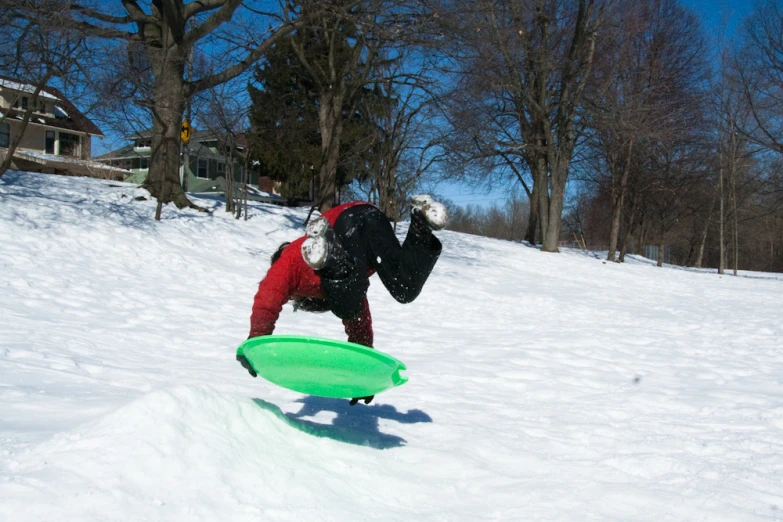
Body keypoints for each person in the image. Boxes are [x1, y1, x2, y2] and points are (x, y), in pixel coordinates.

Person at [240, 195, 448, 405]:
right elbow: (359, 323)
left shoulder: (290, 258)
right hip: (372, 217)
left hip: (344, 223)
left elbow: (268, 296)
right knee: (404, 288)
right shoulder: (346, 287)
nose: (294, 299)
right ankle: (421, 220)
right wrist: (363, 376)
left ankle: (332, 249)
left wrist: (255, 341)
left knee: (345, 300)